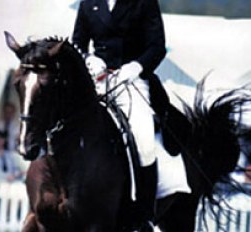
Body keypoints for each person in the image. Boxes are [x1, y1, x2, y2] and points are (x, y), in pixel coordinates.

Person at [72, 0, 166, 229]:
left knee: (144, 140)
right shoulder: (89, 3)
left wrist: (135, 67)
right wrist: (88, 59)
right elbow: (77, 42)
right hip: (96, 79)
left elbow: (157, 47)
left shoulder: (144, 3)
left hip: (130, 80)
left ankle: (144, 216)